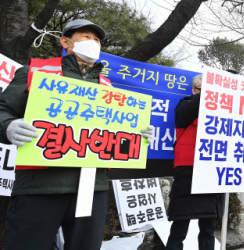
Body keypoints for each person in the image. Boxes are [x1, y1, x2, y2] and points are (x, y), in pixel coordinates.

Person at [0, 19, 154, 250]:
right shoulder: (35, 71)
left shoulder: (108, 88)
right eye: (86, 36)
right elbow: (4, 110)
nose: (93, 42)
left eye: (97, 39)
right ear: (66, 41)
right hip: (41, 186)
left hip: (93, 188)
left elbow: (116, 133)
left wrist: (138, 134)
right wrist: (8, 127)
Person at [167, 74, 224, 250]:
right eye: (205, 90)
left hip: (210, 171)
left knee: (208, 227)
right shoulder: (184, 105)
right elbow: (186, 113)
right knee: (180, 226)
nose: (210, 94)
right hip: (187, 172)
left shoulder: (218, 111)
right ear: (195, 90)